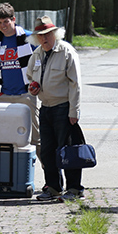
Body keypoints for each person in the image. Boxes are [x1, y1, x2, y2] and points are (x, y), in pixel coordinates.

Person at [26, 16, 84, 202]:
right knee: (47, 151)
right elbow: (30, 77)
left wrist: (74, 112)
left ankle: (74, 189)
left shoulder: (67, 52)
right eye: (41, 35)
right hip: (45, 108)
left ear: (55, 34)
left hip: (63, 108)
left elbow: (76, 84)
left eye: (48, 34)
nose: (45, 39)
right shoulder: (37, 54)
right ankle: (53, 188)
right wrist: (33, 87)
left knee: (68, 150)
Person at [0, 3, 39, 157]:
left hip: (26, 95)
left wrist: (37, 86)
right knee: (8, 139)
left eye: (6, 22)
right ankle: (12, 177)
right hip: (6, 96)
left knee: (35, 139)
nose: (3, 26)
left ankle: (52, 178)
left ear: (13, 19)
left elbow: (41, 65)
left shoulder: (29, 38)